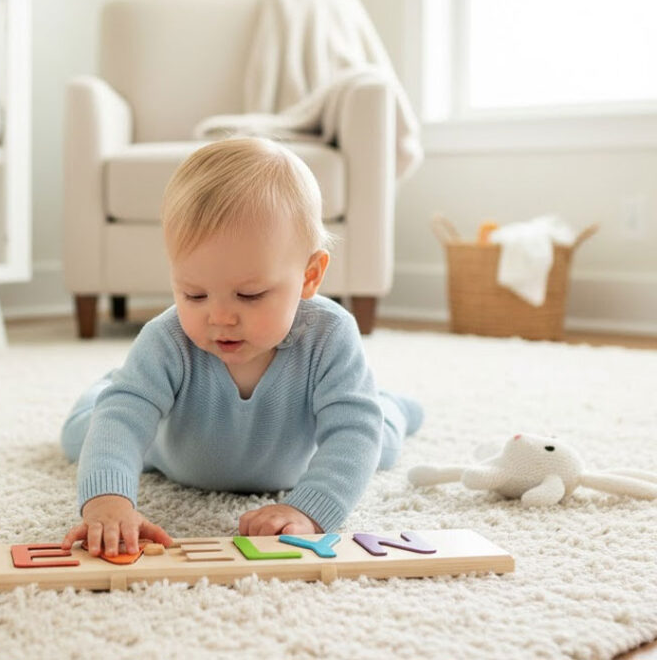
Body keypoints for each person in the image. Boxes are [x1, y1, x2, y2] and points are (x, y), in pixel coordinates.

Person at [59, 137, 423, 558]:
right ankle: (112, 384)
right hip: (174, 454)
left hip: (297, 459)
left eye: (249, 295)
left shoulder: (330, 335)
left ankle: (388, 404)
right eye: (194, 294)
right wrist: (108, 501)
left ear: (309, 276)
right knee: (82, 435)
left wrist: (308, 511)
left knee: (377, 438)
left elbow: (353, 433)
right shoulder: (167, 339)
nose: (220, 317)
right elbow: (121, 420)